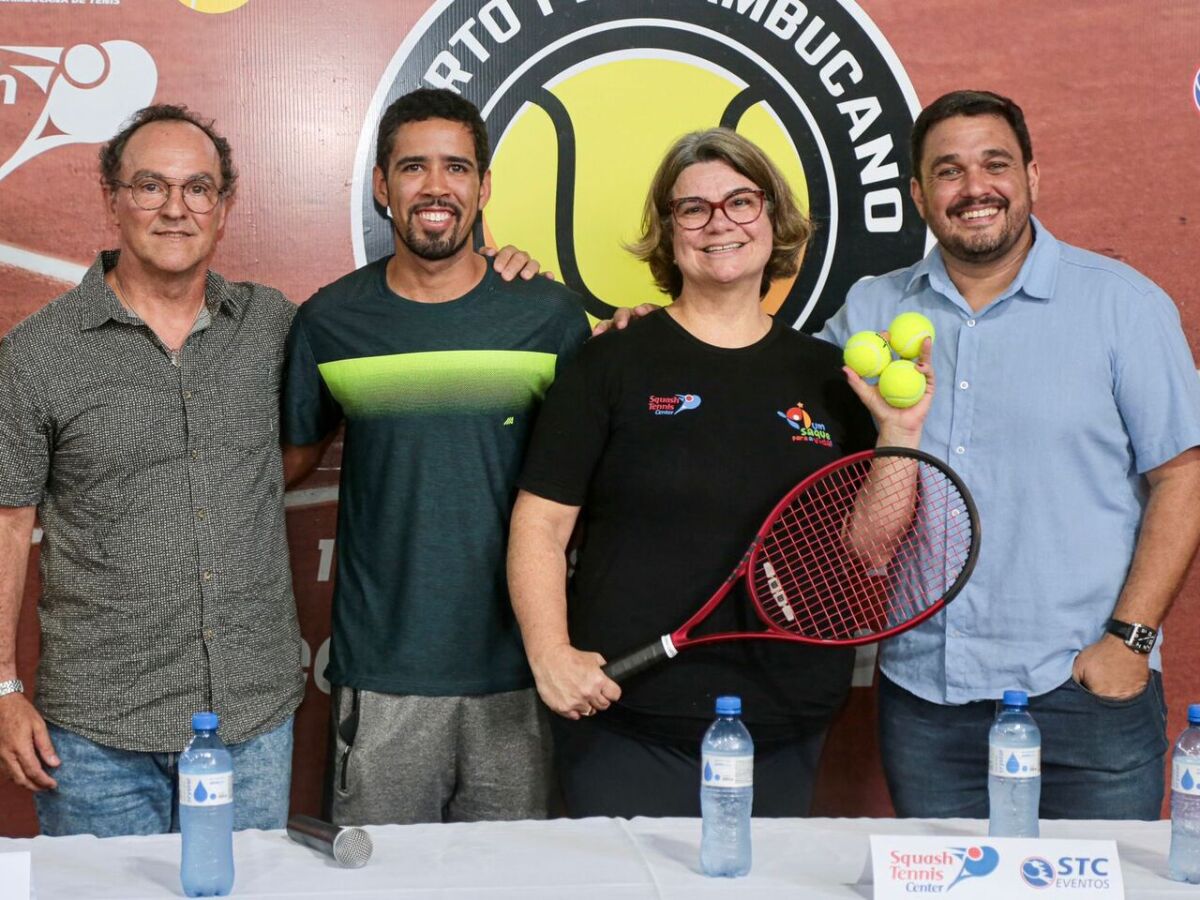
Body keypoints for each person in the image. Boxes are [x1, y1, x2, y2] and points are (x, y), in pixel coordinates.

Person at [506, 128, 933, 817]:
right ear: (668, 231)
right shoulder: (610, 362)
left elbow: (871, 546)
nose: (720, 223)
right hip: (626, 720)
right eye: (694, 208)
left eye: (741, 201)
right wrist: (550, 652)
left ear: (773, 219)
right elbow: (541, 524)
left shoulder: (828, 376)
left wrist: (898, 433)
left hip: (782, 721)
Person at [816, 90, 1200, 819]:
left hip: (1086, 693)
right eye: (949, 171)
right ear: (919, 195)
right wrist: (652, 325)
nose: (974, 188)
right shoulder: (869, 313)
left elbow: (1184, 478)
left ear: (1032, 176)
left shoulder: (1122, 305)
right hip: (928, 703)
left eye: (995, 164)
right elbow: (756, 384)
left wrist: (1130, 641)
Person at [280, 88, 590, 826]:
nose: (436, 186)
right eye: (413, 167)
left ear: (484, 188)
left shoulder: (546, 317)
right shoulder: (330, 321)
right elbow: (281, 468)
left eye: (456, 167)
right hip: (382, 678)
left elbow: (591, 481)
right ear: (382, 186)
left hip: (520, 671)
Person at [0, 104, 303, 836]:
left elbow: (303, 440)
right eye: (149, 186)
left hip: (251, 722)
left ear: (224, 207)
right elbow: (8, 526)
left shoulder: (274, 327)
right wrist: (2, 687)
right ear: (110, 198)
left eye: (198, 188)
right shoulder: (37, 354)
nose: (176, 208)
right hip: (98, 735)